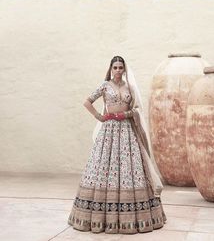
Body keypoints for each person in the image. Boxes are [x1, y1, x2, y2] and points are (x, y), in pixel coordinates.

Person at [68, 56, 166, 234]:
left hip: (128, 131)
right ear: (111, 69)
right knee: (105, 166)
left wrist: (127, 114)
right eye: (115, 67)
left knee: (131, 168)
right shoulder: (104, 86)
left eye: (121, 67)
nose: (118, 70)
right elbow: (87, 102)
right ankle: (100, 216)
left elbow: (138, 110)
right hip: (109, 132)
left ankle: (136, 217)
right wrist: (99, 116)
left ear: (124, 69)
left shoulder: (130, 87)